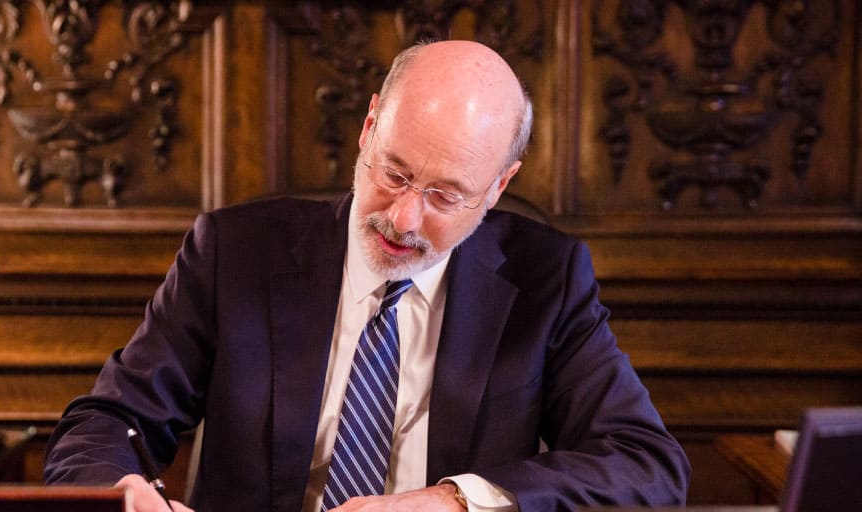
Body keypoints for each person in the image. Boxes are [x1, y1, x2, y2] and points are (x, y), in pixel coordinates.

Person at [44, 40, 691, 512]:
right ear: (368, 127)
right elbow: (105, 422)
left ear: (498, 187)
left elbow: (646, 464)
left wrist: (455, 502)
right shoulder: (234, 252)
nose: (403, 218)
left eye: (445, 196)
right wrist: (121, 490)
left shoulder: (547, 281)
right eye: (394, 172)